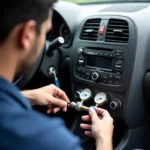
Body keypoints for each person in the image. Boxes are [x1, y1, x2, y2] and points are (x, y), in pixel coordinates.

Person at [0, 0, 114, 150]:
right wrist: (104, 138)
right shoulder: (48, 140)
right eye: (46, 33)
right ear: (26, 35)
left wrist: (25, 97)